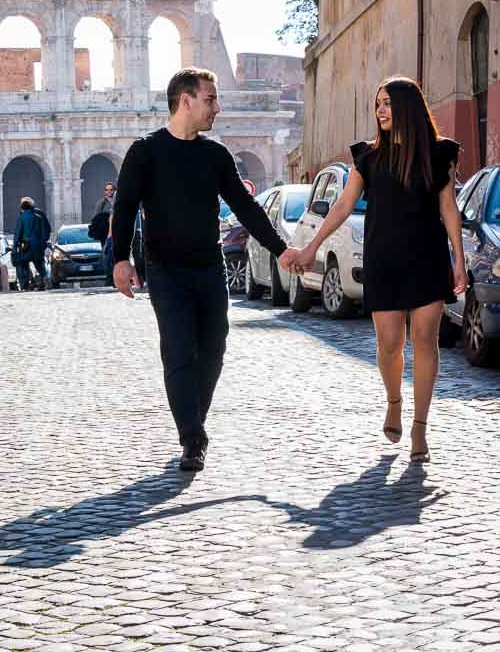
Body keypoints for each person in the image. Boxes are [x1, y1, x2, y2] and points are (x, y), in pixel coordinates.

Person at [281, 76, 465, 464]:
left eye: (387, 103)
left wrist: (459, 260)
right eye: (377, 103)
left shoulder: (439, 152)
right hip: (383, 259)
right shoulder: (367, 156)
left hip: (428, 258)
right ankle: (394, 401)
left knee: (426, 340)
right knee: (389, 345)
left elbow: (449, 208)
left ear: (407, 108)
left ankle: (419, 429)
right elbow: (344, 206)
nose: (380, 110)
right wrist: (311, 247)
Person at [112, 67, 287, 472]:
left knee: (213, 351)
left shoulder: (215, 155)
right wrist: (121, 259)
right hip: (165, 272)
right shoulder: (145, 151)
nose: (217, 107)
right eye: (210, 99)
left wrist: (281, 249)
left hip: (210, 269)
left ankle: (194, 421)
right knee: (178, 354)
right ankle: (192, 438)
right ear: (185, 100)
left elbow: (246, 208)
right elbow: (124, 209)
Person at [13, 197, 49, 291]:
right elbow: (43, 232)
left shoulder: (21, 217)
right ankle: (43, 282)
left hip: (25, 245)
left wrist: (15, 245)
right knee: (39, 265)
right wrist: (43, 242)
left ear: (22, 207)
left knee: (24, 264)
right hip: (37, 245)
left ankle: (27, 284)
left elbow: (18, 232)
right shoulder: (38, 217)